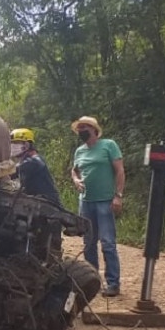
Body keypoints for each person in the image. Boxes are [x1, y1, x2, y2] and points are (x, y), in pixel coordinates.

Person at [71, 116, 125, 297]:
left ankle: (113, 283)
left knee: (108, 243)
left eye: (84, 128)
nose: (81, 131)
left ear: (94, 129)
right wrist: (76, 180)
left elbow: (119, 170)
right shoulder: (79, 151)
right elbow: (75, 170)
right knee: (88, 243)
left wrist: (118, 196)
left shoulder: (109, 145)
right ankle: (91, 281)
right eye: (79, 129)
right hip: (85, 201)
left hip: (105, 200)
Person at [11, 127, 63, 260]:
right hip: (37, 203)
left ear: (26, 145)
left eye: (16, 143)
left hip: (48, 205)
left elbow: (13, 172)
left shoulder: (35, 160)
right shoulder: (25, 161)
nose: (13, 147)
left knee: (49, 245)